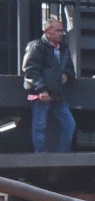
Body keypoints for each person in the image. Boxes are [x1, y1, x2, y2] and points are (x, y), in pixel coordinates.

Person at [20, 16, 75, 154]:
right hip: (41, 94)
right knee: (40, 125)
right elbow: (30, 69)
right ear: (47, 31)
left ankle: (63, 154)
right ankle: (40, 154)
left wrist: (66, 75)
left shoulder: (64, 49)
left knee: (69, 124)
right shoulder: (36, 46)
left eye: (62, 30)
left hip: (57, 94)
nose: (61, 33)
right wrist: (41, 89)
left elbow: (70, 68)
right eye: (57, 30)